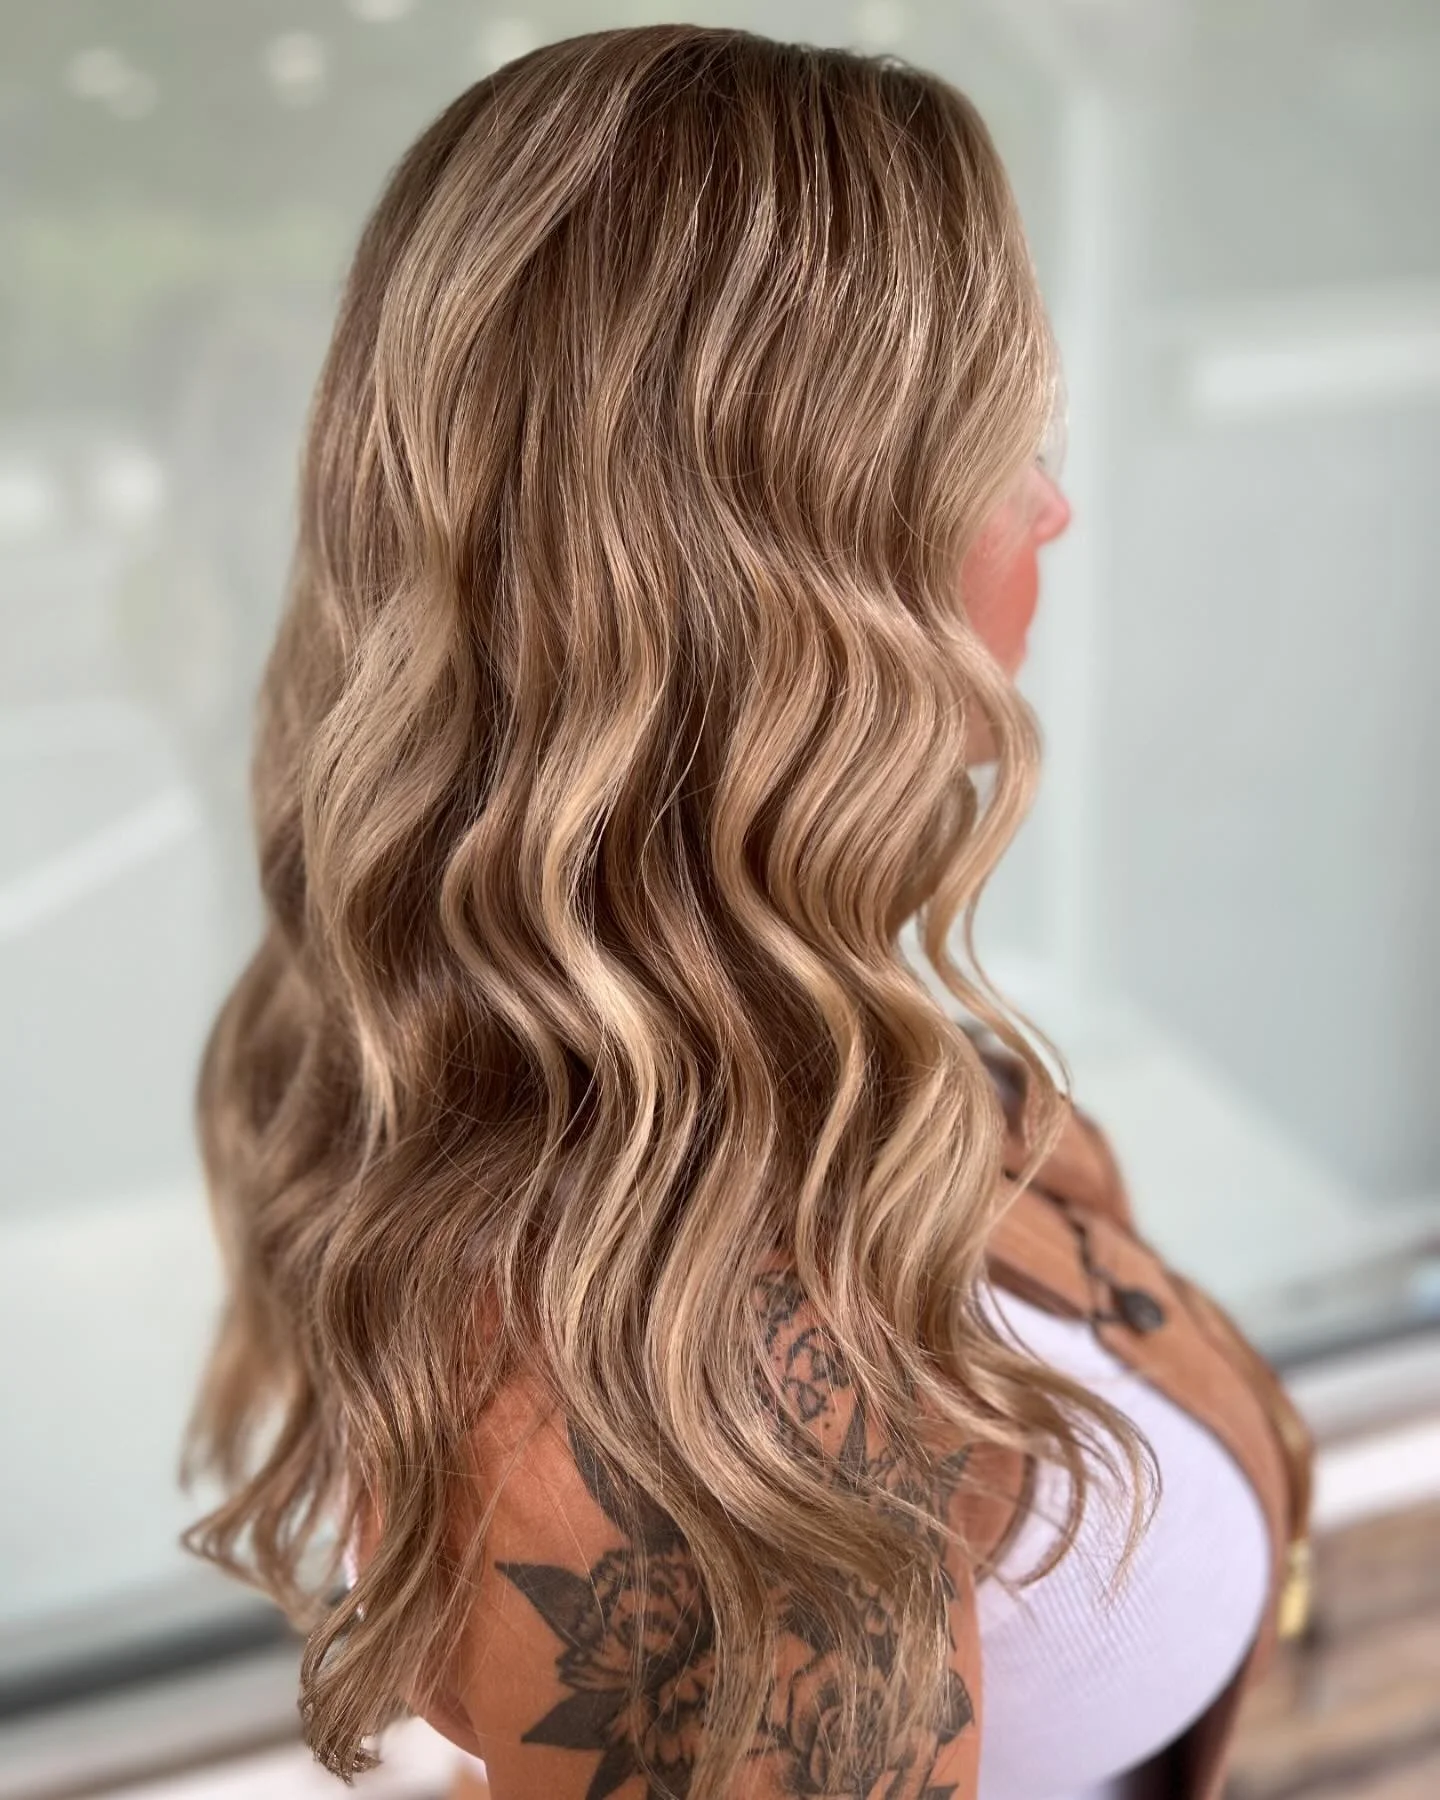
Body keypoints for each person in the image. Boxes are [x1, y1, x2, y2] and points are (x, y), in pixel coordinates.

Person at [181, 25, 1313, 1800]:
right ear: (800, 567)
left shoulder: (503, 1016)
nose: (1057, 506)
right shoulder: (658, 1376)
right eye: (1008, 441)